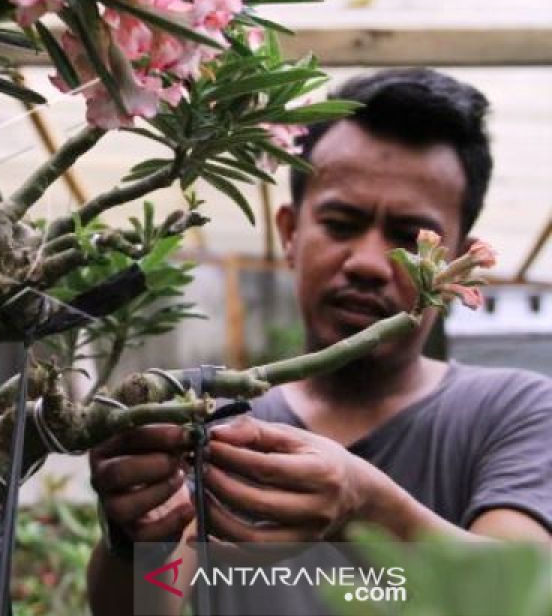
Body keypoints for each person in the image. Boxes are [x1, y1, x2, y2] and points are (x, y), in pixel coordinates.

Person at [86, 68, 552, 614]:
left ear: (459, 263)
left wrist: (367, 510)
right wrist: (137, 538)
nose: (369, 264)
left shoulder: (519, 411)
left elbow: (523, 595)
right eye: (340, 222)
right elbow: (153, 602)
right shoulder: (212, 420)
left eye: (411, 238)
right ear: (289, 231)